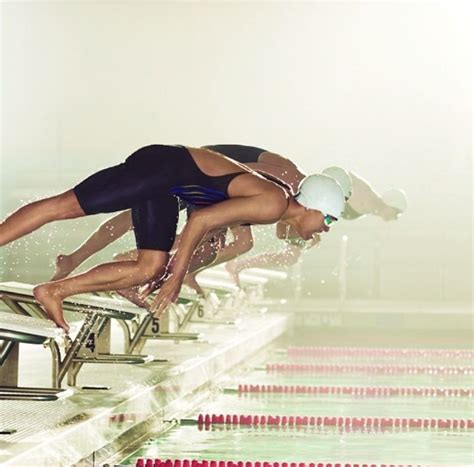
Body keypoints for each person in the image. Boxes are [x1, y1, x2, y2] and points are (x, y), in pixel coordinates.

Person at [0, 144, 345, 331]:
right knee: (64, 207)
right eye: (328, 218)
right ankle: (61, 264)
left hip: (169, 185)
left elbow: (208, 216)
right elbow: (202, 219)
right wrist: (177, 278)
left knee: (149, 266)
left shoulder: (273, 204)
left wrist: (177, 269)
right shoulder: (273, 203)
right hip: (163, 168)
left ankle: (53, 291)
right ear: (313, 207)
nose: (326, 228)